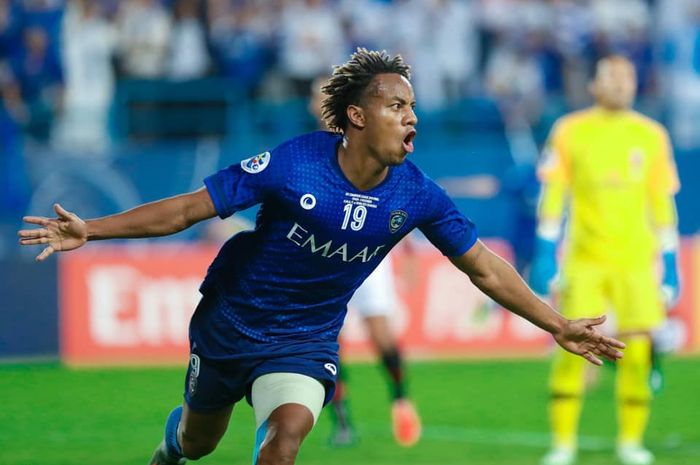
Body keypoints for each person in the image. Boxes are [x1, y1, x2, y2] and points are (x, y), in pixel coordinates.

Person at [19, 49, 625, 465]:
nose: (410, 116)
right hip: (229, 326)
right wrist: (90, 231)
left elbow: (484, 267)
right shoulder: (295, 163)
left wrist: (558, 324)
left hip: (305, 343)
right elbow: (186, 211)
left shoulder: (416, 193)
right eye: (395, 106)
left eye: (412, 108)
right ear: (357, 117)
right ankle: (172, 447)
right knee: (199, 442)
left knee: (284, 443)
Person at [530, 55, 680, 465]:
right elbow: (553, 195)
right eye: (610, 76)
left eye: (627, 75)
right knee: (572, 347)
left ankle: (631, 442)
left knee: (638, 350)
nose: (619, 82)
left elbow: (661, 201)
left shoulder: (651, 135)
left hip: (634, 262)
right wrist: (545, 252)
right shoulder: (570, 130)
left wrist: (670, 260)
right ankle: (562, 444)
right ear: (594, 85)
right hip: (585, 261)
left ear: (636, 84)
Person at [309, 74, 421, 447]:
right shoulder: (307, 153)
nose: (317, 102)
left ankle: (401, 400)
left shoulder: (374, 143)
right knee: (328, 343)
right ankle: (342, 421)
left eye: (322, 94)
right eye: (315, 96)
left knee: (381, 335)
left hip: (369, 258)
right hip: (323, 261)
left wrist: (407, 251)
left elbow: (399, 199)